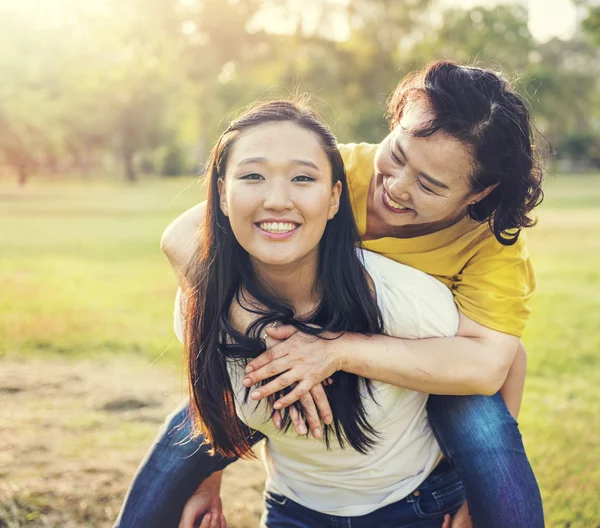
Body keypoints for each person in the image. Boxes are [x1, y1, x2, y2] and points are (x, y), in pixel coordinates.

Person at [115, 61, 544, 528]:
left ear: (480, 192)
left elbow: (490, 366)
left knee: (483, 429)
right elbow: (184, 237)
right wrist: (264, 329)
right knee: (186, 440)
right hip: (287, 344)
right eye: (397, 154)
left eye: (429, 185)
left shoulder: (493, 245)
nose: (395, 188)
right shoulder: (336, 172)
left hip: (425, 364)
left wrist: (335, 351)